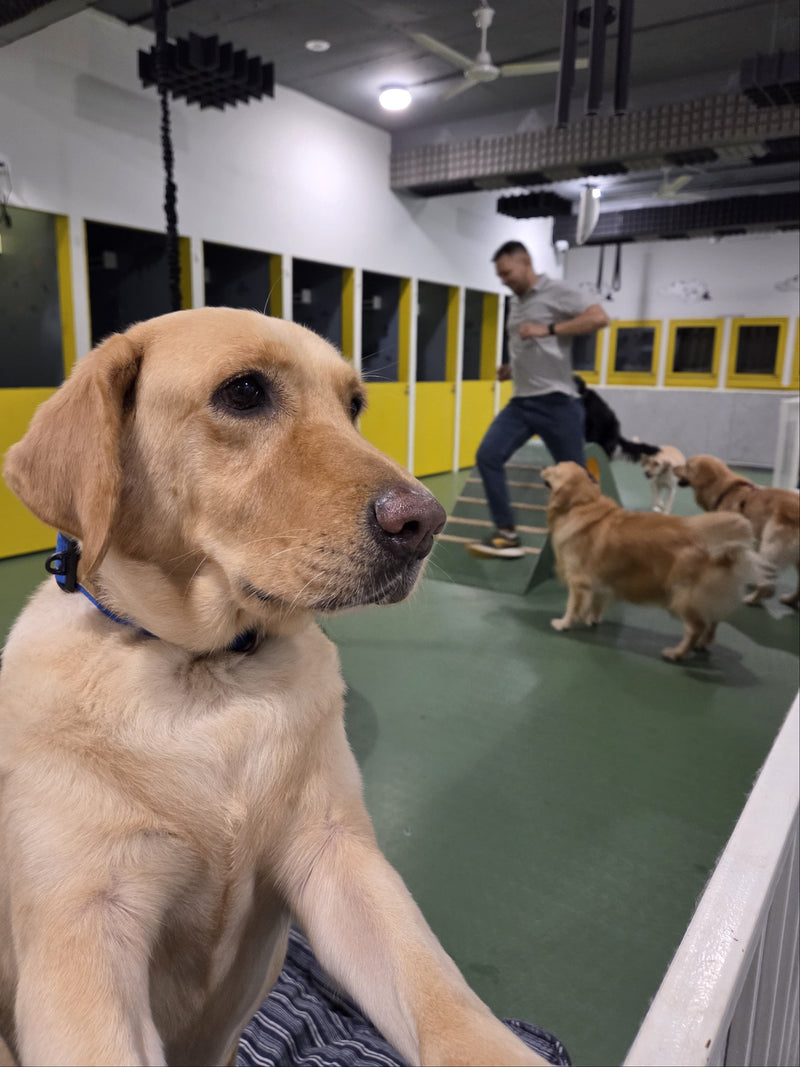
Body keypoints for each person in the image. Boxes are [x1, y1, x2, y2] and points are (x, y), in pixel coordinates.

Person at [467, 240, 609, 559]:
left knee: (576, 479)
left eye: (507, 272)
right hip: (523, 402)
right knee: (488, 456)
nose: (503, 279)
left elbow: (600, 318)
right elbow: (530, 347)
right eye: (499, 275)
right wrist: (511, 368)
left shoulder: (556, 291)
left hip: (558, 403)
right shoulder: (516, 302)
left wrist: (550, 328)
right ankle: (506, 532)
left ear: (526, 262)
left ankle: (592, 540)